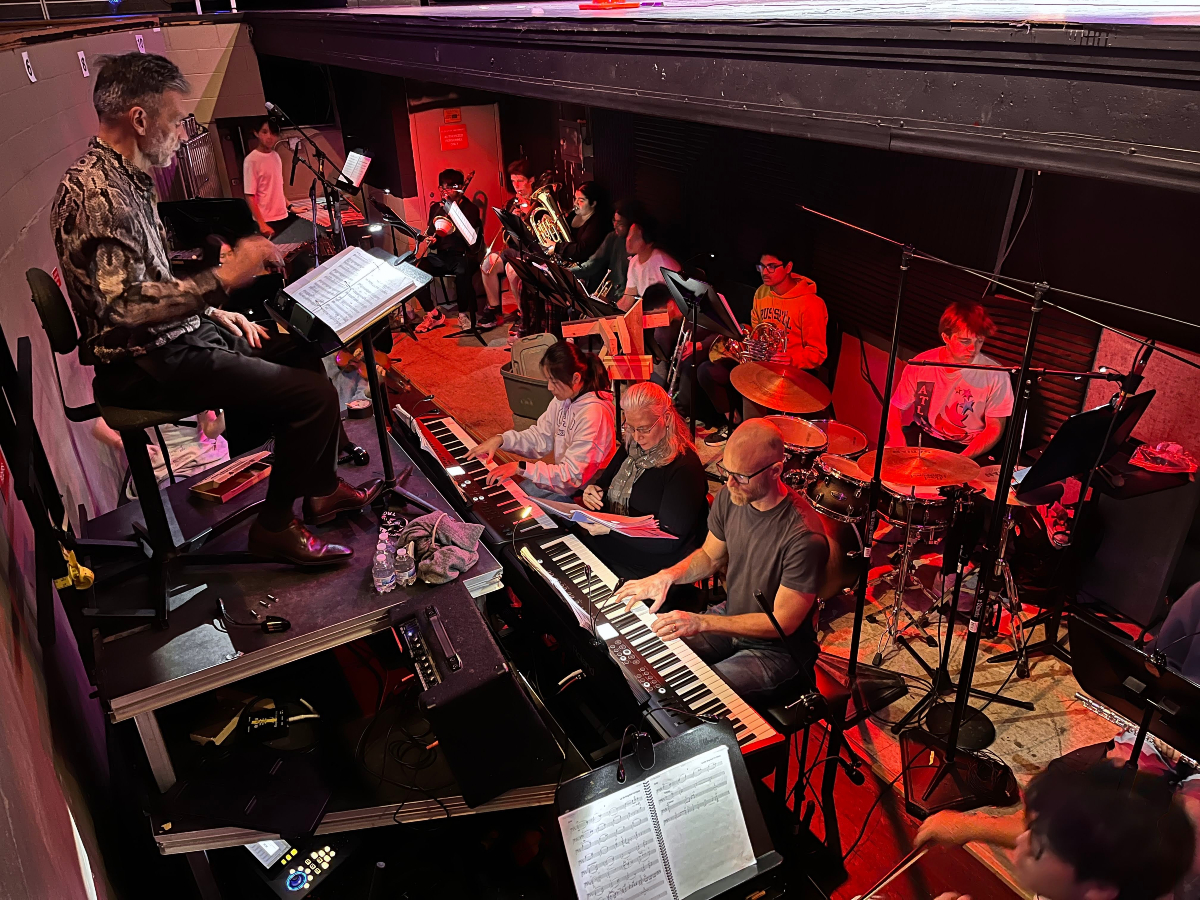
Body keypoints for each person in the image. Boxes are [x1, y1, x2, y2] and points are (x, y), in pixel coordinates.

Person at [53, 53, 380, 566]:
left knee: (302, 348)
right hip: (145, 364)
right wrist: (225, 278)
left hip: (174, 337)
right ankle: (274, 527)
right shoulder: (99, 195)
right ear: (140, 119)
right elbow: (123, 308)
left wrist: (211, 313)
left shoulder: (128, 180)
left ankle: (318, 490)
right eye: (176, 120)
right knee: (313, 396)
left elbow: (151, 283)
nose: (183, 134)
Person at [612, 419, 829, 701]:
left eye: (740, 476)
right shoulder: (732, 496)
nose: (728, 483)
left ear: (776, 471)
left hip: (779, 651)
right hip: (733, 614)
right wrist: (665, 577)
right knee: (648, 656)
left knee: (691, 694)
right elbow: (709, 556)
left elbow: (782, 622)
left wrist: (702, 623)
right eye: (726, 471)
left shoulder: (804, 537)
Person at [917, 761, 1194, 900]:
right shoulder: (1098, 872)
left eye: (1038, 850)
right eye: (1033, 828)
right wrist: (972, 825)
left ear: (1097, 889)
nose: (1021, 841)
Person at [697, 248, 829, 444]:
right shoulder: (762, 292)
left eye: (772, 267)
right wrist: (744, 332)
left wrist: (792, 358)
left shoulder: (811, 303)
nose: (764, 272)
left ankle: (752, 444)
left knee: (750, 388)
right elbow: (758, 326)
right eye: (761, 266)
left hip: (789, 371)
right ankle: (735, 425)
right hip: (761, 363)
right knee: (706, 371)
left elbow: (818, 353)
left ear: (789, 267)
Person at [581, 382, 708, 580]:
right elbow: (604, 485)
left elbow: (669, 540)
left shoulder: (684, 467)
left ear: (666, 419)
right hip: (616, 541)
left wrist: (613, 529)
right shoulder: (632, 445)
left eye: (644, 429)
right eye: (630, 427)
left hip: (655, 564)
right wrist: (593, 492)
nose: (637, 436)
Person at [467, 341, 615, 502]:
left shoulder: (594, 414)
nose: (549, 387)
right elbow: (540, 438)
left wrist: (521, 467)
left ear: (576, 378)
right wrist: (501, 439)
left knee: (514, 506)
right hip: (565, 483)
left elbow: (572, 476)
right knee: (503, 495)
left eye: (554, 381)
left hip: (586, 493)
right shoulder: (564, 398)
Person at [887, 300, 1014, 460]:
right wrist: (896, 435)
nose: (973, 349)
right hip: (923, 436)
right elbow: (896, 406)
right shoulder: (921, 363)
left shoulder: (997, 374)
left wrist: (961, 459)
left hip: (967, 447)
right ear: (946, 337)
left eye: (979, 341)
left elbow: (994, 428)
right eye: (965, 341)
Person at [94, 409, 228, 501]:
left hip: (207, 453)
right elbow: (99, 426)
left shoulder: (190, 381)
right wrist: (123, 444)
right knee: (177, 501)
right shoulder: (135, 389)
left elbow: (210, 431)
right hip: (169, 460)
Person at [412, 168, 484, 334]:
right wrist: (432, 240)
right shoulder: (436, 208)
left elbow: (471, 239)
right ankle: (433, 314)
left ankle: (463, 314)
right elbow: (433, 236)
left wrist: (454, 213)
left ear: (459, 188)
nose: (445, 192)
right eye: (442, 188)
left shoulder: (470, 208)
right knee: (415, 269)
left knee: (462, 269)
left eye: (450, 188)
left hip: (463, 255)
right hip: (442, 257)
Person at [482, 158, 537, 337]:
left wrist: (527, 216)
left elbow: (539, 239)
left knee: (512, 270)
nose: (516, 185)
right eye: (513, 181)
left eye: (520, 180)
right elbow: (508, 238)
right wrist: (511, 221)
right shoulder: (512, 202)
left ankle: (523, 315)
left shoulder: (539, 202)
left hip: (534, 252)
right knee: (487, 264)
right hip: (515, 248)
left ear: (531, 180)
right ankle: (494, 309)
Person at [571, 199, 637, 298]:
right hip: (612, 297)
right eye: (614, 220)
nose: (614, 226)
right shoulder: (612, 237)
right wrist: (566, 272)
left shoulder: (639, 248)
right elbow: (593, 263)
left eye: (620, 223)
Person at [243, 116, 294, 239]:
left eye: (273, 133)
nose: (269, 137)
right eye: (265, 132)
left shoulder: (276, 156)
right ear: (256, 133)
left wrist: (290, 206)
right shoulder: (251, 160)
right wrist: (261, 224)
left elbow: (277, 187)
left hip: (282, 215)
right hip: (266, 220)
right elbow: (250, 195)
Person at [620, 210, 679, 312]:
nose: (629, 240)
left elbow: (677, 304)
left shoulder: (664, 264)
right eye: (629, 234)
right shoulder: (634, 262)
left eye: (636, 237)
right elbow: (627, 300)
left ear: (649, 242)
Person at [543, 181, 610, 265]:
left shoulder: (597, 223)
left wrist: (557, 247)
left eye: (581, 200)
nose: (575, 203)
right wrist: (552, 224)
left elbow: (581, 250)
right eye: (575, 198)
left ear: (593, 203)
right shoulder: (572, 215)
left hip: (582, 270)